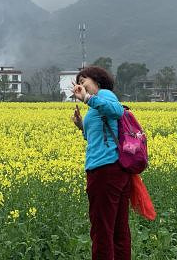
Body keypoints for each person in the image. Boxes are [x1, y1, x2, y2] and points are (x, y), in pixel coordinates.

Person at [70, 66, 131, 260]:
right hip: (113, 170)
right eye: (78, 82)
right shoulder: (96, 105)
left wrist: (87, 98)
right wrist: (81, 125)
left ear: (97, 81)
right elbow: (96, 138)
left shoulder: (104, 95)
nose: (80, 85)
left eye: (84, 80)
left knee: (102, 229)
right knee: (118, 228)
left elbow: (117, 111)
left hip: (105, 170)